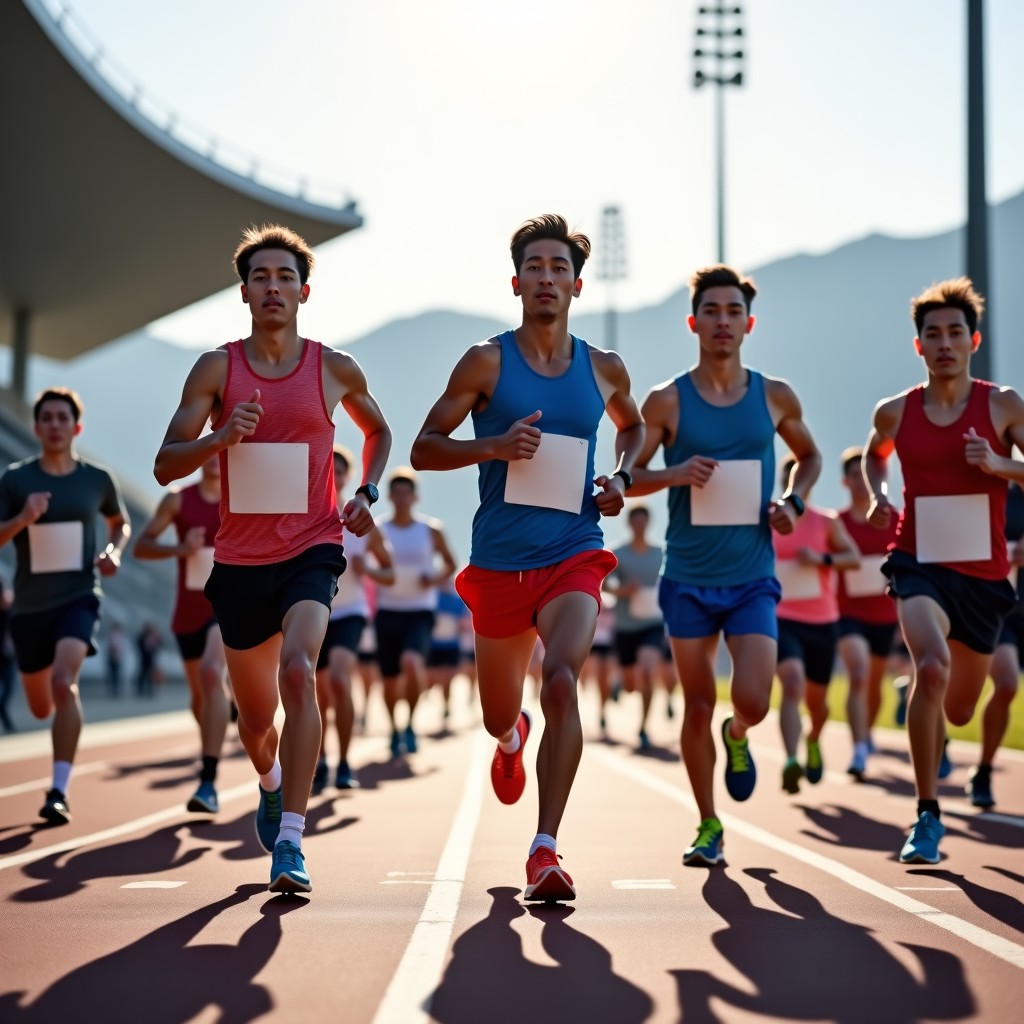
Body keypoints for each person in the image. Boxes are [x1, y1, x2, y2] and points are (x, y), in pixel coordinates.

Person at [411, 213, 645, 902]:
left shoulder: (605, 367)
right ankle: (510, 736)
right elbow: (425, 447)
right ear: (517, 282)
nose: (548, 277)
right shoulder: (487, 361)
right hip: (501, 561)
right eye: (535, 267)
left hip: (574, 550)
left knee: (565, 680)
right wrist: (492, 446)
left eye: (559, 268)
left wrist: (622, 479)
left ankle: (544, 848)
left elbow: (632, 430)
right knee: (495, 713)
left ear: (576, 282)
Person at [153, 224, 392, 893]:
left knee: (299, 672)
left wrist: (367, 490)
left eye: (285, 277)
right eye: (261, 277)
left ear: (304, 291)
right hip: (239, 564)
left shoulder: (333, 367)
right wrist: (222, 436)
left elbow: (380, 430)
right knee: (255, 723)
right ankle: (269, 779)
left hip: (312, 550)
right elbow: (166, 463)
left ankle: (292, 841)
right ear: (244, 292)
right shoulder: (216, 369)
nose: (273, 288)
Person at [630, 264, 821, 867]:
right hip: (686, 576)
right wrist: (675, 473)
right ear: (694, 322)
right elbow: (627, 478)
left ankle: (739, 736)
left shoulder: (774, 395)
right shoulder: (667, 400)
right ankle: (708, 822)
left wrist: (792, 501)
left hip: (751, 576)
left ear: (749, 323)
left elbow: (809, 457)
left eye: (732, 312)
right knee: (697, 704)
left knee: (755, 699)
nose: (722, 321)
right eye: (711, 311)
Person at [864, 277, 1024, 865]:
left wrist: (999, 462)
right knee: (930, 667)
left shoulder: (1002, 404)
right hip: (917, 560)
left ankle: (939, 714)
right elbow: (875, 458)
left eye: (955, 332)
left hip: (983, 577)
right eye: (933, 334)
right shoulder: (896, 410)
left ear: (973, 340)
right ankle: (927, 814)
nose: (944, 343)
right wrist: (880, 497)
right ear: (920, 346)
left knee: (960, 708)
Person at [0, 387, 130, 824]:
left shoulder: (97, 479)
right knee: (40, 705)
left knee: (63, 682)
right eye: (47, 418)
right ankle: (55, 720)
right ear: (36, 427)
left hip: (78, 597)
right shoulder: (16, 480)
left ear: (76, 427)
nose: (54, 425)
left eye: (62, 418)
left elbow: (120, 522)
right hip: (29, 607)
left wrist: (113, 552)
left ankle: (58, 789)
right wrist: (22, 519)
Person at [133, 454, 232, 813]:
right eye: (207, 453)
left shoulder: (240, 496)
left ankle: (208, 780)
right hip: (188, 611)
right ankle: (216, 729)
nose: (212, 461)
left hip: (225, 607)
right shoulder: (177, 498)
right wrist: (180, 548)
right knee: (199, 696)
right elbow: (141, 546)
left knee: (211, 673)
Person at [772, 455, 860, 794]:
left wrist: (821, 559)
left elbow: (852, 558)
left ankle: (813, 738)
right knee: (792, 684)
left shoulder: (826, 522)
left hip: (823, 621)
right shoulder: (767, 521)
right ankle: (790, 760)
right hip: (782, 618)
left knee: (818, 703)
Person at [312, 444, 394, 793]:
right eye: (330, 469)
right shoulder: (306, 513)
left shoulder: (359, 519)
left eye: (340, 470)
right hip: (313, 611)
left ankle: (345, 762)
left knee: (340, 681)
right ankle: (319, 761)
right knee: (318, 693)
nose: (335, 475)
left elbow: (390, 573)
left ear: (346, 477)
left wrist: (369, 571)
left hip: (350, 612)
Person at [374, 468, 457, 758]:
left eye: (405, 492)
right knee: (389, 681)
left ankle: (409, 723)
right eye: (395, 492)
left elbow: (450, 563)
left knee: (412, 663)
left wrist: (434, 579)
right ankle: (393, 728)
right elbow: (366, 564)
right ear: (389, 497)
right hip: (387, 610)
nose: (401, 498)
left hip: (420, 610)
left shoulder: (430, 529)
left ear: (415, 497)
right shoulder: (378, 529)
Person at [835, 446, 901, 779]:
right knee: (858, 673)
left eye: (865, 476)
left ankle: (868, 733)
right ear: (844, 482)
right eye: (853, 476)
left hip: (886, 615)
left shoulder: (895, 520)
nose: (860, 483)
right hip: (848, 614)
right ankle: (859, 750)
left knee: (874, 684)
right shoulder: (837, 524)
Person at [964, 480, 1024, 808]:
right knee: (1007, 684)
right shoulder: (998, 493)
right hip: (1001, 607)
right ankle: (984, 770)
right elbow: (966, 541)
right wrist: (1009, 553)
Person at [605, 504, 667, 750]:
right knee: (632, 685)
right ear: (629, 524)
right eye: (635, 521)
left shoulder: (660, 554)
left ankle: (643, 727)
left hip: (652, 624)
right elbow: (604, 586)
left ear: (648, 522)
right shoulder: (618, 553)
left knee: (648, 670)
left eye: (643, 521)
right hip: (625, 626)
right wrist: (622, 590)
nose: (639, 525)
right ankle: (621, 681)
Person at [427, 577, 471, 727]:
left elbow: (465, 621)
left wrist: (462, 626)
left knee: (448, 680)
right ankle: (432, 695)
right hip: (434, 647)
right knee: (432, 679)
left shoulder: (458, 601)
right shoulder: (432, 597)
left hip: (451, 646)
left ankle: (446, 706)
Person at [105, 620, 128, 699]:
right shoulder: (113, 635)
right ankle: (114, 690)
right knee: (114, 675)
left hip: (117, 658)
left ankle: (116, 690)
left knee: (116, 675)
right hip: (114, 658)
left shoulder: (117, 636)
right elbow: (111, 647)